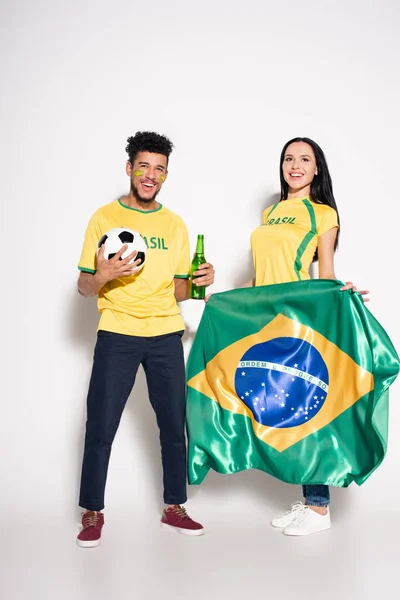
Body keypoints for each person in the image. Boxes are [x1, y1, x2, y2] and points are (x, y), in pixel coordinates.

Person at [76, 131, 215, 547]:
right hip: (117, 332)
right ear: (129, 168)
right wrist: (104, 275)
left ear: (166, 174)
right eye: (144, 166)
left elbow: (177, 288)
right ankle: (92, 511)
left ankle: (175, 507)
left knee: (174, 425)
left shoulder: (174, 225)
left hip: (165, 334)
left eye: (158, 168)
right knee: (101, 425)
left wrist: (200, 284)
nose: (150, 175)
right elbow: (84, 286)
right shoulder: (104, 218)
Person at [248, 137, 369, 536]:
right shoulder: (271, 211)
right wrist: (235, 304)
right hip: (269, 321)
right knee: (286, 412)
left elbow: (326, 270)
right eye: (288, 158)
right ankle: (307, 500)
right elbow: (265, 271)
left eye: (305, 159)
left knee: (306, 411)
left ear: (317, 169)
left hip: (301, 321)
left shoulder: (323, 213)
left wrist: (340, 294)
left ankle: (319, 509)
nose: (295, 165)